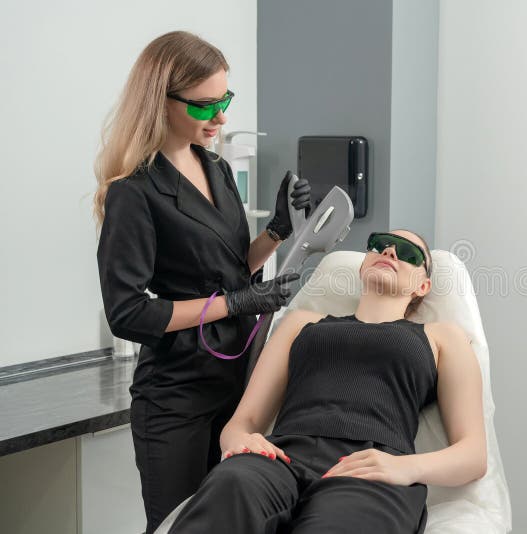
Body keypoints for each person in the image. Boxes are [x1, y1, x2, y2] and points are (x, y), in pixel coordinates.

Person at [93, 31, 311, 533]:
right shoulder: (134, 192)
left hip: (236, 391)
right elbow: (128, 313)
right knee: (180, 526)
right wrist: (236, 303)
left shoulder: (216, 169)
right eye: (205, 106)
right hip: (176, 400)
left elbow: (232, 268)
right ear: (161, 102)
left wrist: (277, 230)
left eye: (225, 100)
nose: (221, 118)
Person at [167, 230, 487, 534]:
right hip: (279, 459)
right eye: (380, 244)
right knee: (229, 488)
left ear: (423, 285)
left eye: (408, 253)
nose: (389, 251)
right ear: (364, 265)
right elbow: (242, 423)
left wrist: (405, 468)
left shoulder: (441, 336)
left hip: (369, 472)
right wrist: (236, 441)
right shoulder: (301, 323)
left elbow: (474, 454)